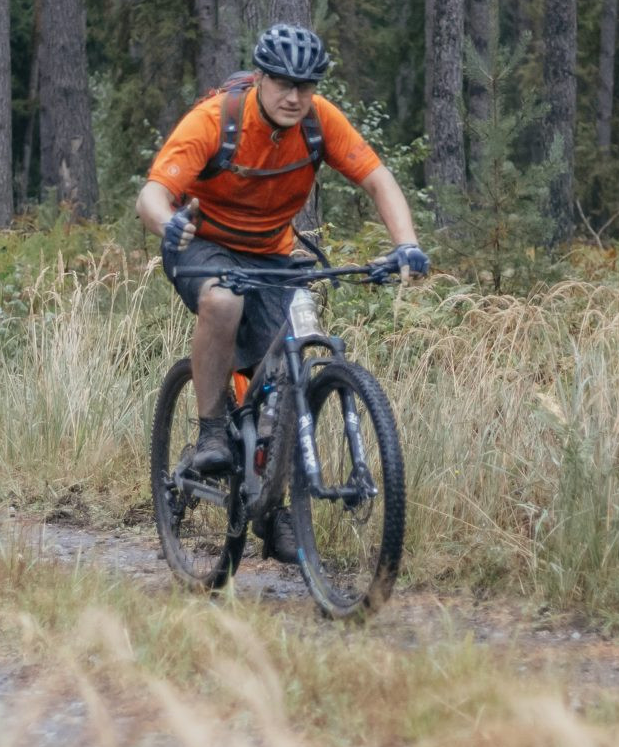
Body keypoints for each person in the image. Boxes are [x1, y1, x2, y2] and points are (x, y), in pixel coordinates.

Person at [137, 24, 428, 486]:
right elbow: (152, 195)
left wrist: (406, 243)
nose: (294, 97)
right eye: (283, 83)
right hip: (201, 245)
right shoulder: (215, 120)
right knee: (223, 301)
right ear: (259, 78)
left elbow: (378, 180)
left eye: (305, 86)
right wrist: (168, 222)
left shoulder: (319, 122)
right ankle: (211, 432)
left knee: (286, 373)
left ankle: (274, 499)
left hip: (270, 254)